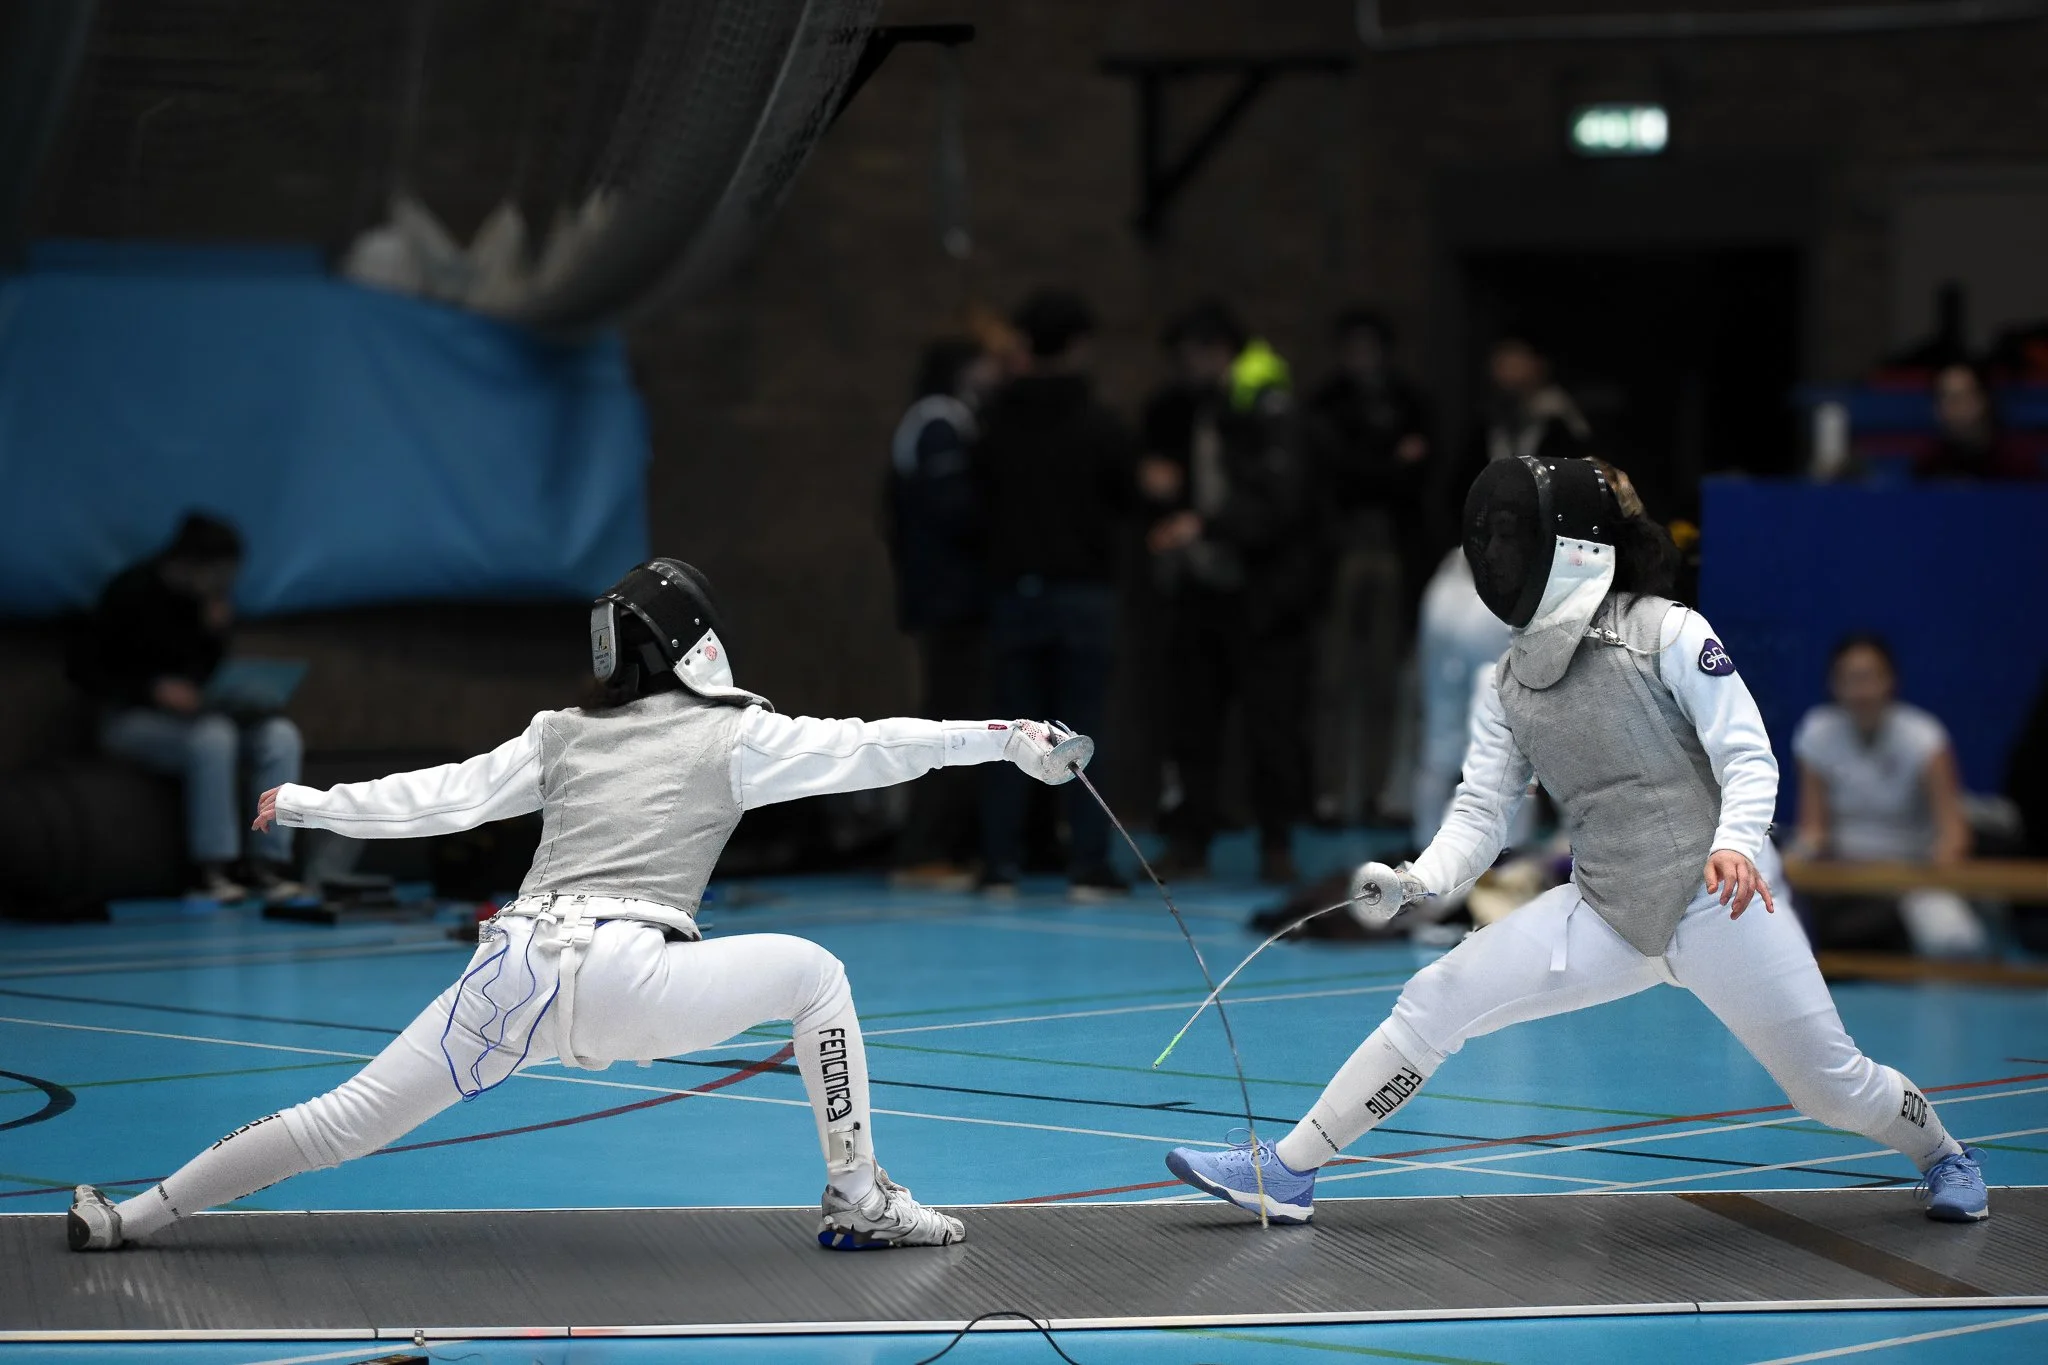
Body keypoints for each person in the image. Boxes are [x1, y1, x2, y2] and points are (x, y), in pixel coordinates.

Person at [66, 558, 1096, 1254]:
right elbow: (883, 740)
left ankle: (132, 1218)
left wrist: (306, 802)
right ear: (698, 645)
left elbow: (443, 793)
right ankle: (857, 1200)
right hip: (632, 979)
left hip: (508, 976)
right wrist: (1008, 736)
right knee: (813, 976)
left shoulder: (560, 734)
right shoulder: (740, 735)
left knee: (341, 1121)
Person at [1164, 457, 1990, 1226]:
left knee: (1831, 1089)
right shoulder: (1511, 681)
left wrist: (1737, 841)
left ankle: (1944, 1153)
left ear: (1574, 547)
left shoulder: (1666, 631)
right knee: (1437, 998)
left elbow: (1748, 752)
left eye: (1516, 537)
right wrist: (1417, 880)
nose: (1498, 554)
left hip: (1722, 897)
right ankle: (1288, 1170)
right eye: (1490, 538)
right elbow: (1481, 816)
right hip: (1607, 910)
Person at [1142, 301, 1322, 884]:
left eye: (1191, 355)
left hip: (1262, 596)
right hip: (1202, 589)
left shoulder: (1267, 407)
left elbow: (1279, 503)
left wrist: (1205, 525)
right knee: (1192, 723)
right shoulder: (1194, 410)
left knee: (1271, 725)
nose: (1183, 368)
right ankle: (1191, 838)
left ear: (1218, 352)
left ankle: (1276, 844)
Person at [972, 288, 1135, 898]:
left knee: (1008, 730)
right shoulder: (1100, 420)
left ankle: (999, 863)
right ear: (1077, 345)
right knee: (1084, 729)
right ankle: (1088, 863)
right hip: (1083, 595)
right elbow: (1128, 496)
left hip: (1015, 593)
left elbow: (977, 502)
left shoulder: (994, 419)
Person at [67, 512, 303, 903]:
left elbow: (207, 675)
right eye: (219, 573)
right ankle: (212, 870)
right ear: (190, 565)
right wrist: (152, 690)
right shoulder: (130, 592)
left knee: (280, 736)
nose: (225, 584)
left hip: (200, 715)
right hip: (131, 720)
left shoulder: (207, 606)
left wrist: (216, 635)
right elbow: (85, 672)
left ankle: (269, 863)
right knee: (213, 738)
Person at [1305, 308, 1439, 827]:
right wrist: (1387, 462)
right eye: (1352, 345)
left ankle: (1384, 792)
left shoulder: (1408, 400)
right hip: (1339, 548)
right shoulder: (1328, 402)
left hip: (1393, 548)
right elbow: (1332, 471)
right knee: (1334, 679)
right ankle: (1333, 792)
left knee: (1386, 679)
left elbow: (1418, 476)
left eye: (1370, 345)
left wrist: (1368, 466)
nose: (1361, 357)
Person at [883, 337, 1004, 884]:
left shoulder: (953, 421)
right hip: (948, 602)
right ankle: (923, 849)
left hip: (952, 600)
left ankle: (947, 845)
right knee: (949, 721)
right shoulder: (938, 423)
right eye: (984, 362)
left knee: (962, 717)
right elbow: (952, 514)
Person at [1792, 634, 1986, 956]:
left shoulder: (1925, 737)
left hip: (1916, 875)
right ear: (1834, 684)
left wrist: (1924, 879)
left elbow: (1954, 834)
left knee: (1955, 945)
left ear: (1890, 681)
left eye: (1870, 677)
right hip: (1844, 880)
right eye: (1849, 679)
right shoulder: (1817, 732)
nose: (1861, 691)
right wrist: (1793, 866)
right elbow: (1814, 831)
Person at [1446, 334, 1590, 531]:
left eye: (1515, 361)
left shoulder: (1560, 424)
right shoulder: (1486, 428)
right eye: (1500, 362)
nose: (1505, 371)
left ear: (1538, 366)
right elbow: (1460, 492)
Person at [1919, 362, 2038, 481]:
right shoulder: (1927, 469)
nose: (1950, 406)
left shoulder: (2018, 466)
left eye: (1959, 397)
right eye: (1943, 397)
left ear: (1983, 400)